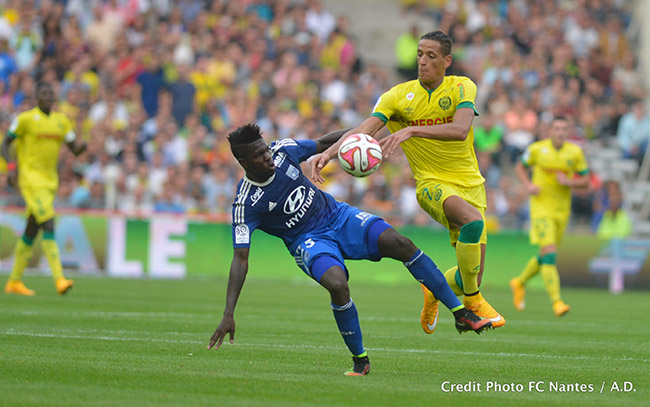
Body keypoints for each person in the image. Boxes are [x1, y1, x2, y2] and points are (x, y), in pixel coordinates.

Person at [207, 123, 491, 376]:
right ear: (244, 162)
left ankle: (460, 314)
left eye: (266, 149)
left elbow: (322, 142)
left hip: (338, 217)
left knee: (402, 244)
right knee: (337, 285)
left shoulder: (284, 151)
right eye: (259, 155)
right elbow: (240, 259)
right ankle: (360, 360)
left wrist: (365, 130)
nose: (268, 156)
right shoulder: (246, 205)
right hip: (308, 241)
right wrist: (228, 312)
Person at [309, 30, 505, 333]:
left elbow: (461, 129)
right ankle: (474, 300)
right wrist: (329, 154)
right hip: (431, 184)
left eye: (431, 56)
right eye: (419, 54)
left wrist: (411, 131)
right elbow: (364, 131)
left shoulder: (462, 87)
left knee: (470, 272)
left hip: (470, 184)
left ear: (447, 61)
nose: (423, 61)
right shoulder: (398, 97)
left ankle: (433, 288)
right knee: (471, 223)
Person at [2, 82, 87, 296]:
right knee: (48, 223)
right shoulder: (25, 119)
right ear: (36, 97)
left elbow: (74, 148)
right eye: (44, 94)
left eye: (51, 94)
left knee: (32, 228)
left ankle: (14, 282)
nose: (48, 97)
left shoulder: (61, 121)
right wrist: (11, 168)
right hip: (31, 180)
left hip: (50, 182)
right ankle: (59, 278)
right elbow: (5, 143)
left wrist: (84, 146)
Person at [510, 115, 589, 316]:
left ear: (568, 131)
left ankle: (519, 282)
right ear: (550, 130)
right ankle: (557, 302)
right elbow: (520, 167)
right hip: (541, 208)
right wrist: (528, 185)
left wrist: (569, 182)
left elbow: (586, 180)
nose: (560, 132)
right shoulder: (537, 149)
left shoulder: (575, 153)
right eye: (557, 128)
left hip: (562, 211)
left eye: (564, 129)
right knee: (550, 253)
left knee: (546, 255)